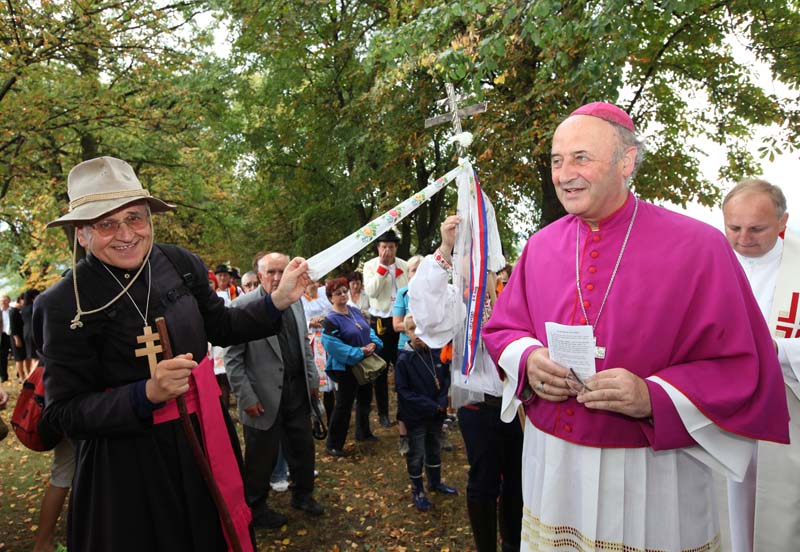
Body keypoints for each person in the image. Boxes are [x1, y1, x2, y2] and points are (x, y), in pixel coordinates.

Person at [481, 102, 789, 552]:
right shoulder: (541, 244)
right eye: (556, 160)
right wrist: (529, 359)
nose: (565, 173)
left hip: (652, 469)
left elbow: (740, 364)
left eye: (581, 157)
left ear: (625, 162)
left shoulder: (698, 247)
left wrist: (653, 396)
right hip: (555, 462)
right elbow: (504, 327)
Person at [34, 156, 310, 552]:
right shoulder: (63, 303)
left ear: (150, 218)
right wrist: (143, 394)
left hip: (204, 435)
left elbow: (223, 327)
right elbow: (63, 413)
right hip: (128, 465)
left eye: (135, 218)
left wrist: (276, 301)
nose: (125, 233)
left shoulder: (178, 263)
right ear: (81, 234)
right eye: (106, 224)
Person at [410, 216, 523, 551]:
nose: (481, 267)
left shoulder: (509, 299)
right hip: (479, 405)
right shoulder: (457, 302)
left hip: (514, 406)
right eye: (471, 258)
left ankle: (512, 544)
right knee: (484, 479)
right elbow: (428, 314)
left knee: (516, 481)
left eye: (486, 262)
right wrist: (445, 247)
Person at [721, 179, 800, 552]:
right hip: (719, 416)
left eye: (757, 229)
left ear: (782, 223)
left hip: (787, 414)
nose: (743, 238)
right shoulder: (708, 261)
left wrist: (776, 352)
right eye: (734, 227)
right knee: (727, 516)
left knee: (779, 520)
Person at [225, 251, 324, 529]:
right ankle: (256, 507)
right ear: (259, 276)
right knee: (260, 456)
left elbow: (304, 344)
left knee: (303, 448)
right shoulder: (241, 306)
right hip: (262, 397)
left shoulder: (294, 302)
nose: (278, 277)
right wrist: (246, 397)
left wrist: (311, 380)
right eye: (271, 272)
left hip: (297, 391)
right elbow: (233, 359)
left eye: (283, 271)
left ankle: (303, 494)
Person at [395, 314, 457, 511]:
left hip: (435, 414)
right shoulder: (405, 359)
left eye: (420, 328)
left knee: (434, 448)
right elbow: (403, 391)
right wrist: (430, 405)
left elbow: (445, 378)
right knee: (417, 453)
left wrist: (441, 401)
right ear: (406, 332)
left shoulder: (435, 352)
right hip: (415, 416)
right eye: (412, 329)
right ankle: (418, 489)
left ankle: (435, 482)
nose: (417, 333)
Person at [322, 277, 383, 456]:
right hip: (345, 367)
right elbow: (331, 344)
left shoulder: (355, 311)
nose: (343, 295)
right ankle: (334, 444)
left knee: (365, 399)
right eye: (338, 293)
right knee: (344, 405)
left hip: (365, 364)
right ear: (330, 297)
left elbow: (368, 329)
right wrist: (358, 353)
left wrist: (374, 344)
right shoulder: (331, 319)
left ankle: (363, 433)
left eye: (344, 291)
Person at [363, 230, 408, 427]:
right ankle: (383, 413)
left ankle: (403, 411)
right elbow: (371, 291)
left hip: (401, 321)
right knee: (381, 368)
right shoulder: (370, 266)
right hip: (380, 322)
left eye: (391, 246)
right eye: (383, 247)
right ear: (378, 248)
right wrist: (382, 269)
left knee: (403, 366)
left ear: (396, 248)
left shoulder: (404, 266)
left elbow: (409, 290)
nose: (387, 250)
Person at [391, 255, 423, 456]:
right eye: (413, 270)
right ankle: (404, 437)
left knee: (429, 389)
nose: (417, 274)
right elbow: (396, 325)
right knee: (405, 392)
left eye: (421, 270)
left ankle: (434, 433)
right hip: (406, 349)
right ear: (408, 273)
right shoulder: (403, 294)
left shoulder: (432, 294)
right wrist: (415, 327)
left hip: (428, 349)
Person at [1, 294, 11, 382]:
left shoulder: (13, 311)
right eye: (1, 300)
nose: (3, 302)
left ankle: (20, 375)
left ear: (9, 301)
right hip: (3, 336)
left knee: (19, 356)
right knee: (3, 357)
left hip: (13, 335)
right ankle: (4, 376)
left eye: (5, 300)